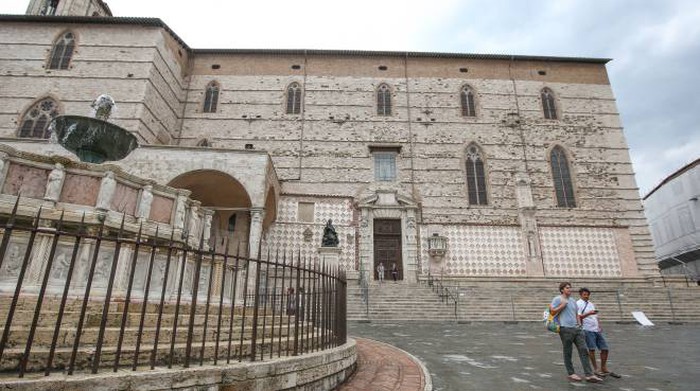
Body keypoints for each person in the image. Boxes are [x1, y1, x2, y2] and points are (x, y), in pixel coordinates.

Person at [550, 282, 603, 383]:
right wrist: (562, 305)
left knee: (584, 351)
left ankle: (589, 374)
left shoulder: (573, 300)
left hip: (577, 329)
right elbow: (552, 312)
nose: (569, 289)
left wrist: (579, 325)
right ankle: (571, 373)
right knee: (568, 352)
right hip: (565, 329)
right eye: (567, 288)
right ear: (562, 290)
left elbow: (576, 314)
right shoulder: (558, 299)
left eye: (570, 288)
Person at [577, 287, 621, 378]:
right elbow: (578, 317)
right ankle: (596, 369)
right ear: (580, 295)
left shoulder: (591, 303)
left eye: (587, 294)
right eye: (584, 294)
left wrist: (599, 325)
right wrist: (589, 313)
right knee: (591, 349)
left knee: (605, 348)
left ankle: (603, 367)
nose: (586, 296)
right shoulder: (578, 304)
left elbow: (596, 316)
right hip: (587, 329)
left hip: (596, 329)